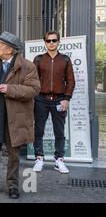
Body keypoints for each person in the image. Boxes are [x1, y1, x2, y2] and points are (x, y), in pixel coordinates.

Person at [0, 31, 40, 199]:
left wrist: (10, 89)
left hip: (15, 119)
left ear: (9, 50)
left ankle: (12, 186)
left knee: (13, 154)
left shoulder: (28, 66)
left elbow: (34, 90)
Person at [32, 31, 75, 174]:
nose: (51, 43)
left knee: (59, 131)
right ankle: (39, 158)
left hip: (59, 99)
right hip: (41, 99)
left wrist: (66, 98)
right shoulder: (38, 59)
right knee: (38, 130)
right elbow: (33, 80)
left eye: (54, 40)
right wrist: (34, 96)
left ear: (58, 42)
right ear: (44, 42)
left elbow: (70, 81)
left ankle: (59, 160)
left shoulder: (65, 60)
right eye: (48, 40)